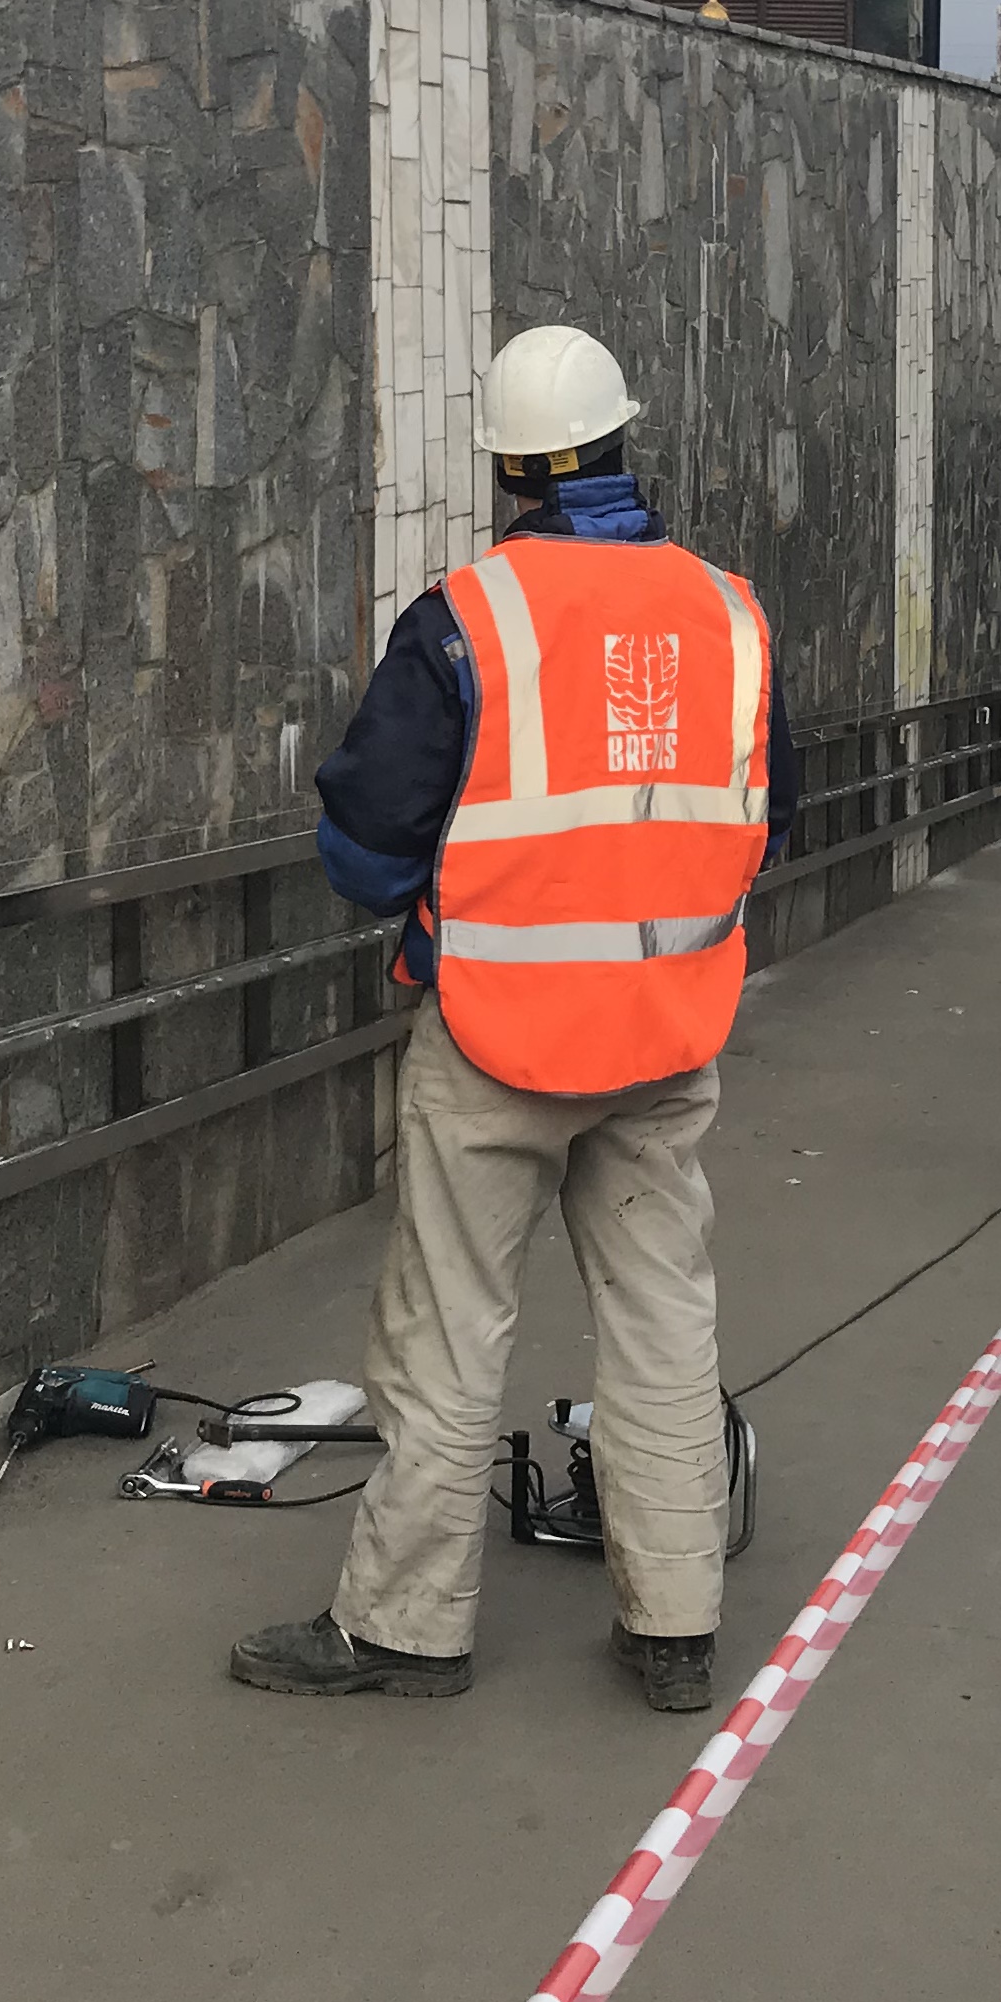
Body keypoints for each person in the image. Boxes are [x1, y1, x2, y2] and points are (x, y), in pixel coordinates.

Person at [233, 325, 795, 1715]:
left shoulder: (465, 620)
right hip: (668, 1030)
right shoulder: (731, 612)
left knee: (447, 1326)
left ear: (506, 467)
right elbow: (753, 815)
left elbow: (365, 842)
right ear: (622, 441)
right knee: (664, 1320)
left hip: (494, 1039)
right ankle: (674, 1630)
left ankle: (405, 1631)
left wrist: (437, 908)